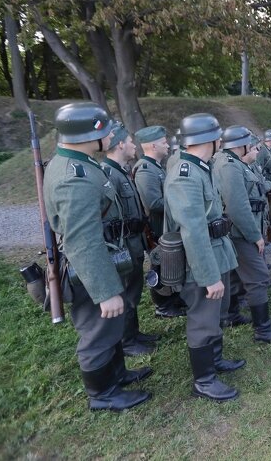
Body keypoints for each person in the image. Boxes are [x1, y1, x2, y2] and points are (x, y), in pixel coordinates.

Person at [44, 102, 151, 411]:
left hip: (103, 259)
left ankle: (116, 375)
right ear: (89, 135)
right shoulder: (73, 177)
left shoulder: (81, 163)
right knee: (97, 333)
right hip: (90, 268)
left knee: (110, 328)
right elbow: (83, 241)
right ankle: (103, 395)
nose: (110, 137)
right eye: (105, 131)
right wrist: (105, 292)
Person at [163, 113, 243, 402]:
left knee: (216, 314)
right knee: (202, 320)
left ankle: (215, 361)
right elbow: (193, 231)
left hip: (214, 253)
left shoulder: (200, 167)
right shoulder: (185, 174)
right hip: (199, 262)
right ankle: (204, 380)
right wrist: (208, 277)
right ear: (210, 139)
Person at [213, 126, 271, 343]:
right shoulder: (229, 166)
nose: (254, 148)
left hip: (238, 231)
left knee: (236, 275)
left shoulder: (234, 163)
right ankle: (263, 330)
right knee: (258, 278)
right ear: (241, 145)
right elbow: (237, 207)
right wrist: (254, 235)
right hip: (240, 232)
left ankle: (230, 314)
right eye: (251, 143)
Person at [101, 123, 156, 357]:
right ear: (120, 144)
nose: (135, 145)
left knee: (133, 291)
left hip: (134, 242)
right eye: (131, 141)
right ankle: (126, 341)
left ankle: (133, 333)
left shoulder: (122, 171)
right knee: (125, 292)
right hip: (122, 245)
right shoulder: (108, 174)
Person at [133, 125, 187, 319]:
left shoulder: (156, 167)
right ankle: (162, 305)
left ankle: (173, 300)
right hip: (155, 228)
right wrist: (180, 200)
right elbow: (153, 203)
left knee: (170, 264)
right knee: (159, 266)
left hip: (163, 225)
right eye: (164, 142)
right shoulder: (146, 170)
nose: (167, 145)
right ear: (153, 146)